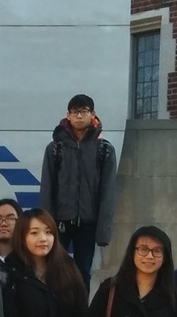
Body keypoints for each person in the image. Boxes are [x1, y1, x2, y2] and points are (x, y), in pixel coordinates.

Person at [38, 94, 117, 283]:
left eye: (83, 111)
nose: (79, 116)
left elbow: (109, 193)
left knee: (83, 272)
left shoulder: (104, 149)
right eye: (75, 112)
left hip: (88, 223)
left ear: (93, 114)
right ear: (68, 115)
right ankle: (55, 311)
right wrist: (44, 226)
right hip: (59, 222)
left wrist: (103, 231)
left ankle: (81, 312)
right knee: (54, 271)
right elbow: (47, 188)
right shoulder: (55, 148)